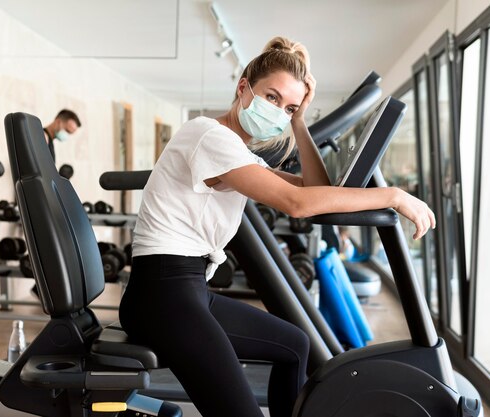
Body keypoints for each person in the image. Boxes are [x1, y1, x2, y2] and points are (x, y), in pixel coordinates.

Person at [118, 37, 435, 417]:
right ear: (243, 87)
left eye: (288, 107)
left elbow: (314, 189)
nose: (279, 112)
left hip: (188, 289)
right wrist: (393, 196)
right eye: (272, 98)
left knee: (294, 345)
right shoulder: (209, 136)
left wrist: (299, 121)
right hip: (162, 295)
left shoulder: (237, 150)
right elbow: (297, 204)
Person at [29, 108, 82, 300]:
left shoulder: (49, 140)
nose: (66, 135)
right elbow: (36, 170)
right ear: (58, 121)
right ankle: (42, 288)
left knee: (58, 244)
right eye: (67, 131)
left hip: (45, 199)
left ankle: (42, 287)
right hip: (38, 201)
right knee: (54, 244)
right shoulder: (42, 137)